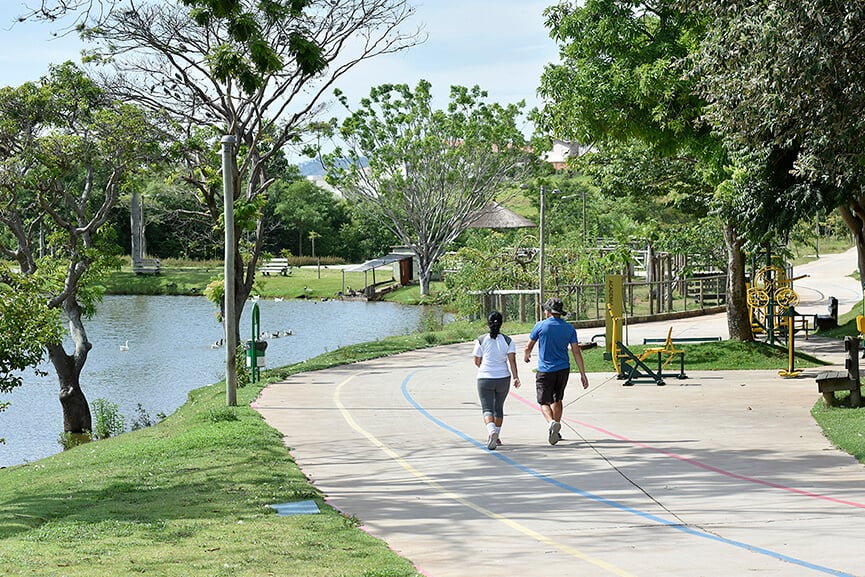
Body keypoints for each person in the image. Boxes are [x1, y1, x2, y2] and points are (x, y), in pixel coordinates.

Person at [523, 297, 589, 445]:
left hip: (545, 370)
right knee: (557, 399)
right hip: (563, 369)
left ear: (548, 312)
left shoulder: (540, 326)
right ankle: (556, 431)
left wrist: (526, 356)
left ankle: (551, 423)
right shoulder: (569, 328)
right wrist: (582, 374)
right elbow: (576, 352)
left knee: (543, 401)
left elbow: (528, 346)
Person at [472, 310, 520, 450]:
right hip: (503, 378)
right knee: (498, 408)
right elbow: (512, 360)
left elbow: (477, 361)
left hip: (484, 378)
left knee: (487, 408)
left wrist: (485, 368)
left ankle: (491, 431)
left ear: (488, 324)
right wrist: (516, 377)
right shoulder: (508, 340)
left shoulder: (481, 340)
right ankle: (496, 436)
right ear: (501, 324)